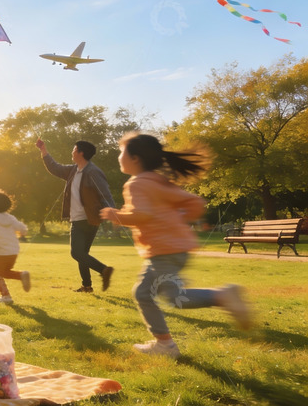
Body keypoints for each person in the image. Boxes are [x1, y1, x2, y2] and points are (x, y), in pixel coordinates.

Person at [100, 133, 252, 359]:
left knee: (157, 295)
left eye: (121, 152)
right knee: (157, 294)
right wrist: (179, 219)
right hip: (178, 248)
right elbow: (195, 202)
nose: (118, 156)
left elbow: (143, 214)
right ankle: (167, 343)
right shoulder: (159, 181)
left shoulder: (138, 183)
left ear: (135, 159)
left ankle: (217, 301)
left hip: (163, 249)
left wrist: (116, 215)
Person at [36, 138, 115, 293]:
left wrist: (112, 212)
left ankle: (104, 270)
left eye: (74, 150)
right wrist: (43, 151)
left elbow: (105, 194)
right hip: (77, 219)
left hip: (89, 220)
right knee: (82, 255)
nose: (72, 152)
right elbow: (55, 168)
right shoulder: (73, 170)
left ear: (81, 153)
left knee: (77, 253)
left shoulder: (93, 172)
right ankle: (87, 286)